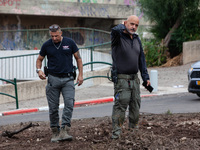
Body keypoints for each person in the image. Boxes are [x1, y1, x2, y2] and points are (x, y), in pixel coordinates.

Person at [36, 24, 83, 142]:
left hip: (68, 79)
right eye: (52, 36)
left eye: (56, 36)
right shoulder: (47, 45)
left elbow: (78, 58)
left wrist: (81, 75)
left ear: (61, 33)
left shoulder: (70, 42)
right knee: (53, 108)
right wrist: (39, 70)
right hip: (53, 79)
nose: (54, 38)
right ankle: (55, 131)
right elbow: (39, 59)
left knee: (69, 103)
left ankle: (65, 130)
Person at [111, 15, 151, 139]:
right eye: (131, 24)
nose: (134, 27)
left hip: (135, 79)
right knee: (120, 106)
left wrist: (145, 77)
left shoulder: (136, 39)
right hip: (122, 79)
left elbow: (141, 59)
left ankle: (133, 133)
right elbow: (114, 30)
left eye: (136, 25)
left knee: (135, 106)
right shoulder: (117, 37)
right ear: (125, 23)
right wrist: (123, 27)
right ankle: (116, 135)